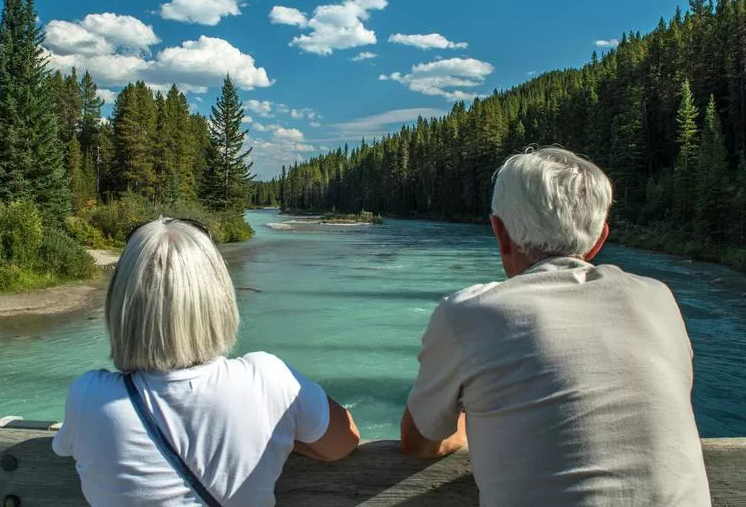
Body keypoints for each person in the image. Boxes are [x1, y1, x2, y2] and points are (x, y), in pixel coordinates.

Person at [400, 147, 711, 506]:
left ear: (500, 233)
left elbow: (419, 442)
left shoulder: (469, 314)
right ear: (599, 240)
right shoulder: (659, 299)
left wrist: (477, 421)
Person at [53, 218, 360, 507]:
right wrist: (281, 436)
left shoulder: (88, 397)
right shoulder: (268, 380)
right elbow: (344, 442)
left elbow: (67, 448)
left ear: (122, 305)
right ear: (219, 299)